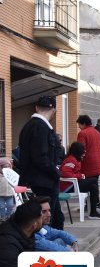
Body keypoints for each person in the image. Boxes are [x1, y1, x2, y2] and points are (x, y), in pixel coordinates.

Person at [18, 95, 64, 230]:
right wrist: (55, 172)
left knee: (56, 217)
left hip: (40, 180)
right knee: (49, 220)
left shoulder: (30, 126)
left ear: (37, 107)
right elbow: (40, 157)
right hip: (44, 181)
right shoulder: (40, 127)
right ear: (54, 110)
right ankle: (51, 248)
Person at [59, 142, 100, 219]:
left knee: (93, 186)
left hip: (73, 184)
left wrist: (80, 175)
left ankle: (93, 211)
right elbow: (65, 173)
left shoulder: (75, 159)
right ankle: (94, 211)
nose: (84, 152)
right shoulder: (71, 160)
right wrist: (80, 176)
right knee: (93, 180)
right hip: (68, 186)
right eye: (83, 151)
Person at [77, 115, 100, 212]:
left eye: (79, 124)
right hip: (98, 163)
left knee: (89, 185)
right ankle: (94, 204)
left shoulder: (82, 133)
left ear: (84, 123)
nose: (78, 126)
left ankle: (91, 206)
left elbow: (81, 149)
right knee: (94, 184)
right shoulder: (97, 132)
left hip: (88, 163)